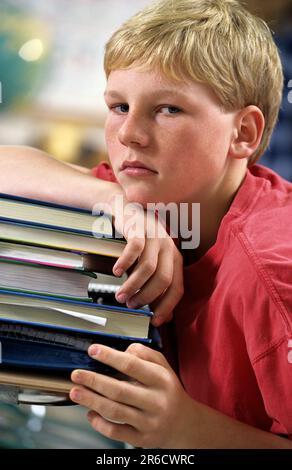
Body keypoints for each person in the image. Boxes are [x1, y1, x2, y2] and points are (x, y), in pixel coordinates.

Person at [0, 0, 291, 448]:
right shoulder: (168, 194)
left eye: (168, 109)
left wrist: (187, 429)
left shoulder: (273, 274)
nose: (128, 134)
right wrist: (113, 198)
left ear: (244, 133)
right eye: (118, 106)